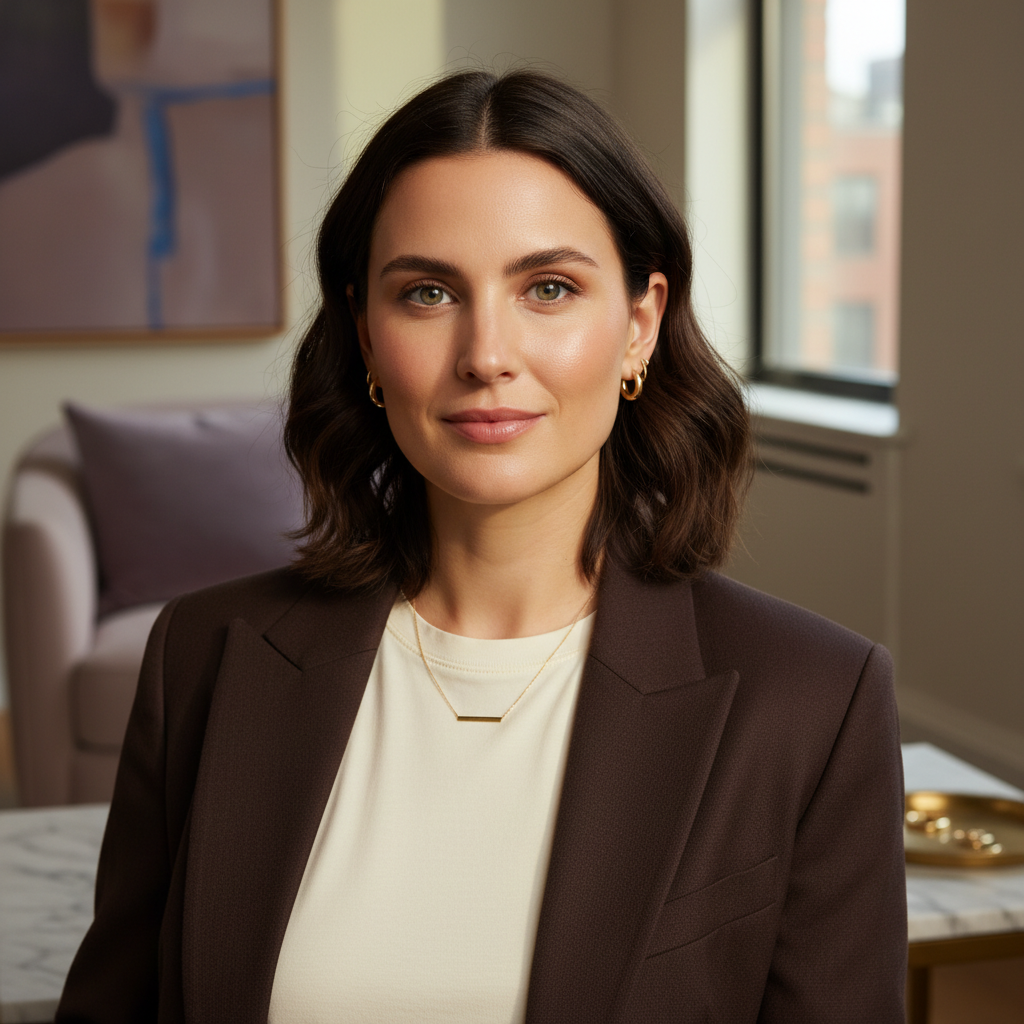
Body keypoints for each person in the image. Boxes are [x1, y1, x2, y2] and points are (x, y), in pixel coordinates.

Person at [56, 69, 906, 1023]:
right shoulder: (203, 656)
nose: (486, 354)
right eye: (427, 293)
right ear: (366, 336)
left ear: (639, 325)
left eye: (548, 287)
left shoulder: (814, 699)